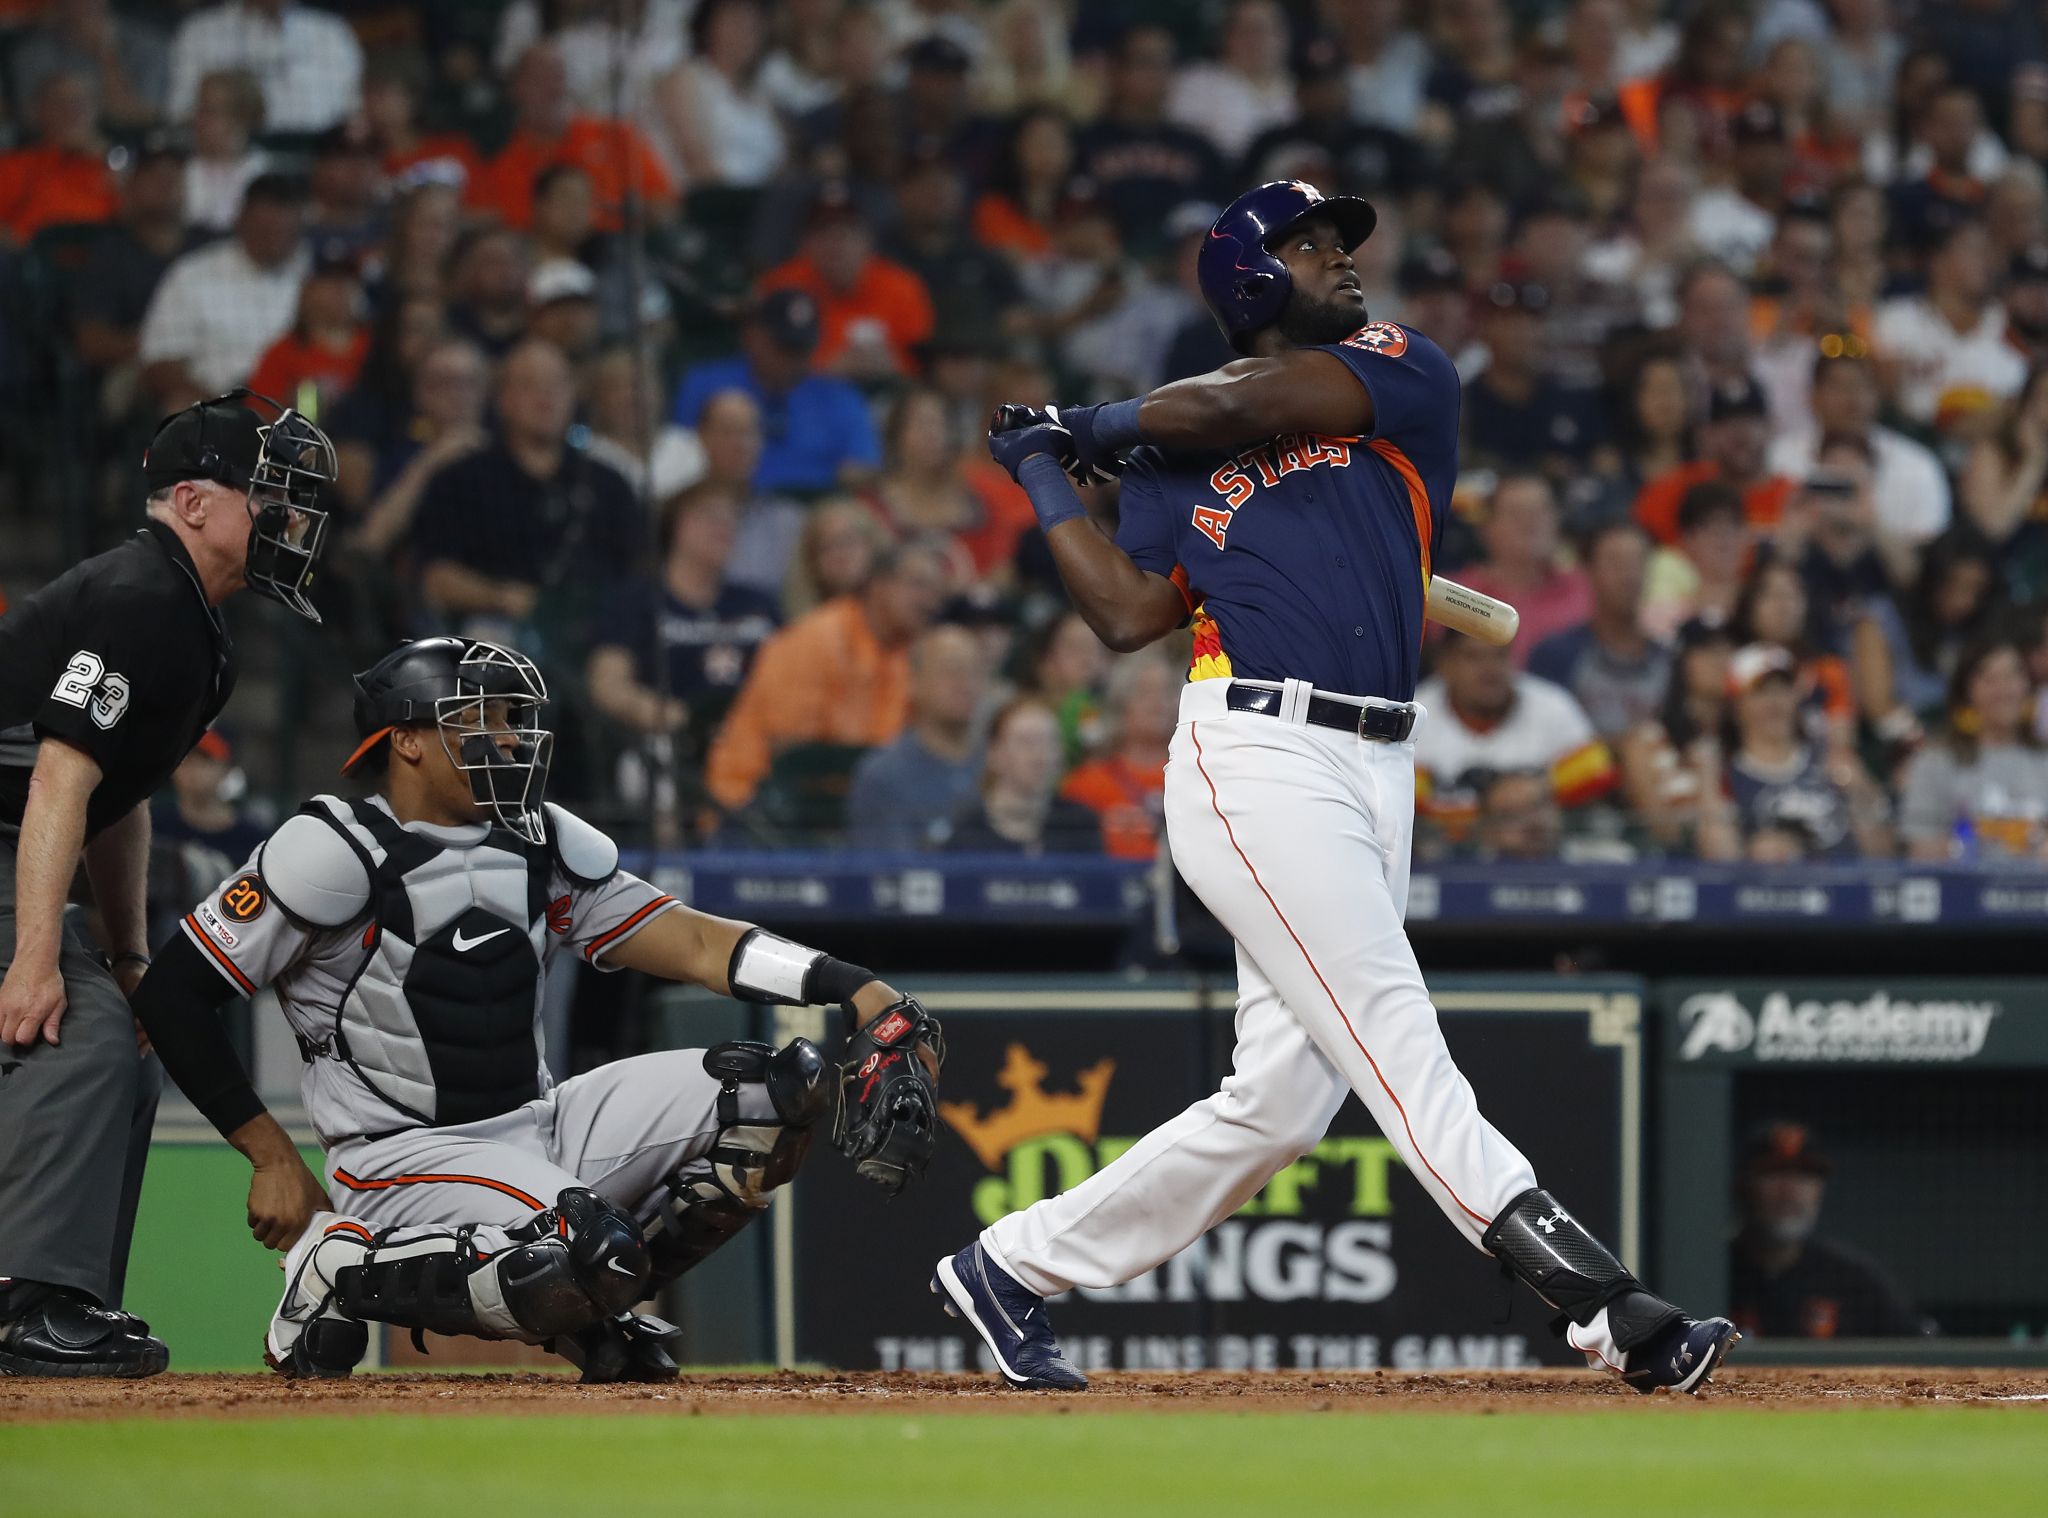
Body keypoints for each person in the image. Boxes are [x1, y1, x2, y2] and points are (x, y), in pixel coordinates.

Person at [937, 179, 1736, 1393]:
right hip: (1254, 753)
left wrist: (1083, 425)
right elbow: (1126, 614)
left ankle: (1009, 1267)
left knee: (1277, 1108)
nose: (1340, 261)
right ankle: (1606, 1310)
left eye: (1336, 243)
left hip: (1378, 762)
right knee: (1397, 1043)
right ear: (1249, 278)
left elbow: (1251, 398)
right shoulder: (1164, 451)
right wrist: (1047, 479)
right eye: (1308, 248)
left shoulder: (1394, 366)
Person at [128, 636, 945, 1380]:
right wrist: (269, 1154)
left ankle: (596, 1298)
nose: (511, 740)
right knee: (580, 1239)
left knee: (775, 1091)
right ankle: (335, 1269)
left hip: (540, 1125)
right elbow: (172, 993)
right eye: (480, 720)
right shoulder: (333, 849)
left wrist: (852, 984)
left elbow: (694, 943)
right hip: (400, 1156)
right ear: (406, 740)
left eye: (513, 720)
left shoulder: (539, 839)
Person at [0, 393, 336, 1378]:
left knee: (124, 1031)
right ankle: (29, 1306)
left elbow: (117, 793)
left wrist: (130, 953)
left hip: (16, 838)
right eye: (269, 495)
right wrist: (32, 957)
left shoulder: (192, 621)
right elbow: (61, 777)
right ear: (192, 502)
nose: (287, 519)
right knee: (82, 1029)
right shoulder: (142, 595)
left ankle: (63, 1299)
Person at [411, 339, 646, 657]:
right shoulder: (461, 479)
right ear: (502, 398)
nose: (546, 396)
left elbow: (639, 572)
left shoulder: (609, 482)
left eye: (557, 384)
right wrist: (499, 597)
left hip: (597, 636)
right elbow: (435, 578)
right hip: (498, 633)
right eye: (530, 384)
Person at [704, 537, 951, 812]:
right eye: (919, 585)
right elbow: (789, 753)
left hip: (850, 809)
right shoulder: (818, 639)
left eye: (939, 591)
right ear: (878, 585)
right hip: (753, 807)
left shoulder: (908, 654)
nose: (930, 601)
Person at [585, 486, 782, 769]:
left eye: (732, 519)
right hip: (671, 742)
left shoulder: (758, 604)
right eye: (710, 516)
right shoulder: (635, 600)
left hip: (757, 740)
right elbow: (607, 683)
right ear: (676, 524)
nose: (724, 527)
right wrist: (663, 714)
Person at [1766, 351, 1953, 586]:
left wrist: (1871, 521)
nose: (1852, 397)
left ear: (1877, 395)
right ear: (1813, 396)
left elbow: (1923, 573)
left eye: (1862, 385)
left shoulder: (1918, 465)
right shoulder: (1778, 458)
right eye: (1839, 385)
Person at [670, 291, 882, 497]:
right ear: (753, 336)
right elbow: (680, 458)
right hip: (724, 503)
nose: (793, 360)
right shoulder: (706, 383)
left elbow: (863, 469)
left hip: (812, 514)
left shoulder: (840, 397)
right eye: (784, 347)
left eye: (801, 349)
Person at [1728, 1122, 1925, 1340]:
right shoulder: (1713, 1273)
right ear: (1741, 1186)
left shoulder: (1852, 1280)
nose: (1790, 1191)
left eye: (1805, 1176)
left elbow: (1921, 1350)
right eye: (1774, 1173)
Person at [137, 173, 309, 413]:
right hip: (218, 403)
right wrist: (217, 407)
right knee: (181, 408)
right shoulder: (193, 273)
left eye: (285, 231)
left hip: (297, 407)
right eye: (266, 228)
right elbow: (160, 363)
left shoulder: (318, 273)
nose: (275, 239)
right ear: (240, 220)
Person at [469, 43, 676, 233]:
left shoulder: (615, 134)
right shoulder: (498, 156)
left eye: (558, 76)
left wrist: (611, 210)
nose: (553, 88)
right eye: (539, 78)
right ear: (515, 88)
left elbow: (664, 205)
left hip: (612, 248)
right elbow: (483, 222)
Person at [1718, 644, 1890, 860]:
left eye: (1782, 689)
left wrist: (1862, 793)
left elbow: (1883, 856)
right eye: (1760, 692)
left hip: (1845, 888)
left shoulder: (1833, 763)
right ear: (1736, 706)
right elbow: (1720, 863)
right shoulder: (1727, 777)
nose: (1774, 702)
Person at [756, 184, 936, 382]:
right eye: (822, 233)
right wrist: (827, 370)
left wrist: (894, 368)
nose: (835, 244)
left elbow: (924, 369)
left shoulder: (902, 286)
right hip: (810, 400)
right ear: (804, 243)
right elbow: (767, 364)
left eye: (846, 233)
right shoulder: (782, 285)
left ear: (868, 241)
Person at [1898, 638, 2048, 861]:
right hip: (1963, 891)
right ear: (1967, 691)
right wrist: (1971, 845)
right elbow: (1920, 849)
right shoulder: (1936, 761)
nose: (2005, 690)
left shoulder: (2043, 759)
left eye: (2013, 676)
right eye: (1990, 680)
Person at [844, 625, 988, 852]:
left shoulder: (1001, 763)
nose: (965, 684)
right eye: (951, 671)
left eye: (974, 671)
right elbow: (887, 873)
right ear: (914, 682)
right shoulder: (884, 775)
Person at [1528, 521, 1672, 739]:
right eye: (1616, 563)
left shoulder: (1670, 659)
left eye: (1638, 562)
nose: (1629, 576)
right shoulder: (1554, 655)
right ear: (1588, 571)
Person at [1634, 373, 1795, 544]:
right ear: (1705, 435)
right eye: (1726, 422)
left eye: (1751, 420)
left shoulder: (1794, 500)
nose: (1740, 432)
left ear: (1771, 428)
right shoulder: (1671, 492)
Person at [1453, 473, 1592, 667]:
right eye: (1517, 513)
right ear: (1486, 527)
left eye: (1540, 511)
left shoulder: (1588, 589)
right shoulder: (1455, 596)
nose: (1530, 523)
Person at [167, 0, 362, 135]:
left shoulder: (332, 33)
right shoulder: (200, 32)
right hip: (231, 165)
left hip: (317, 165)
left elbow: (354, 120)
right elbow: (180, 115)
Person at [943, 697, 1103, 856]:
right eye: (1026, 742)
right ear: (995, 754)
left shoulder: (1080, 825)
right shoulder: (967, 833)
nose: (1040, 756)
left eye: (1050, 742)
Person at [1059, 654, 1177, 861]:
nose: (1159, 702)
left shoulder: (1201, 777)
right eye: (1145, 692)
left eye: (1167, 691)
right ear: (1120, 703)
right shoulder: (1085, 784)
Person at [0, 69, 119, 246]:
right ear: (38, 111)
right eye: (59, 102)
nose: (72, 111)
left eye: (80, 102)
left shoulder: (119, 167)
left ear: (96, 111)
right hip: (32, 265)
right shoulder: (13, 167)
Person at [245, 256, 370, 417]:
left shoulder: (377, 343)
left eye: (348, 281)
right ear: (308, 291)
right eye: (330, 283)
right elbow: (258, 416)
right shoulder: (283, 352)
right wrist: (289, 408)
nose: (341, 290)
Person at [183, 68, 269, 236]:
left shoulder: (263, 172)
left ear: (240, 119)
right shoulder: (179, 168)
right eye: (198, 110)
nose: (198, 119)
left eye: (210, 112)